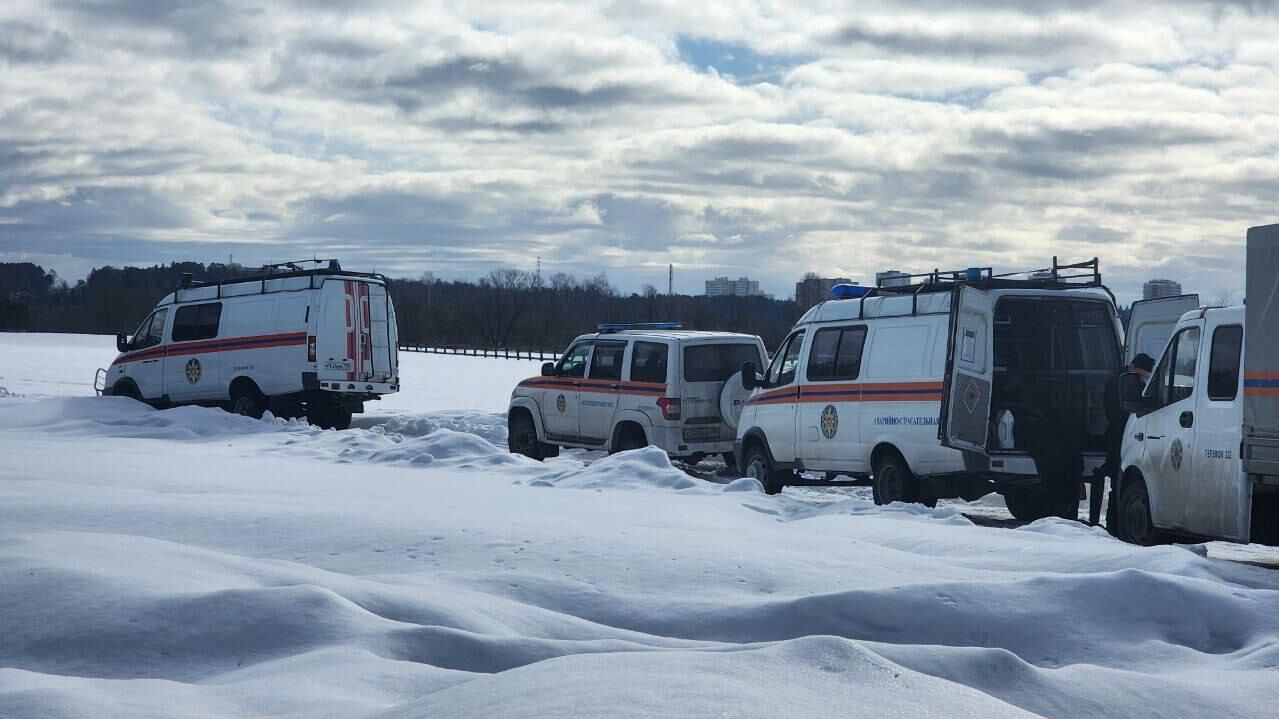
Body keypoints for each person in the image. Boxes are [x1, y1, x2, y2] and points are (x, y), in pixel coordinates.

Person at [1093, 353, 1155, 528]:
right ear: (1132, 367)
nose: (1143, 379)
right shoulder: (1118, 384)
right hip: (1118, 438)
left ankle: (1116, 524)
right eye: (1141, 375)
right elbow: (1117, 414)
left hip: (1125, 437)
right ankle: (1114, 525)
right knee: (1117, 482)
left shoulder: (1131, 382)